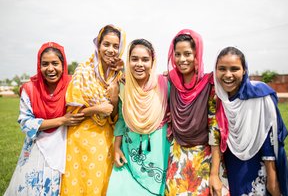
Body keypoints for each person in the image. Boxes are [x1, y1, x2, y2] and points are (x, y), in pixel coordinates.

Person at [4, 42, 84, 195]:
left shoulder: (73, 85)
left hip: (65, 147)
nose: (50, 69)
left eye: (55, 63)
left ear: (63, 64)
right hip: (36, 149)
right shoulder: (30, 89)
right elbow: (26, 123)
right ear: (39, 66)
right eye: (45, 64)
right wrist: (62, 120)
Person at [214, 46, 288, 196]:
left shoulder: (259, 95)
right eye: (222, 69)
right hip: (229, 164)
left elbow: (268, 136)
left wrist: (272, 176)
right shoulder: (217, 98)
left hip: (257, 163)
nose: (228, 75)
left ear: (244, 70)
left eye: (234, 69)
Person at [60, 25, 126, 195]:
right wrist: (97, 108)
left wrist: (113, 98)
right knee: (80, 183)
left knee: (101, 184)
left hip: (106, 140)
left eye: (115, 46)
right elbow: (72, 113)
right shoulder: (84, 71)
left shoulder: (119, 76)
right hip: (80, 138)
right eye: (106, 44)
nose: (110, 50)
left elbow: (117, 115)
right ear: (98, 45)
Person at [165, 29, 228, 196]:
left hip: (203, 157)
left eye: (187, 54)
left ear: (197, 55)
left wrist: (214, 174)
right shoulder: (171, 81)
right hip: (177, 154)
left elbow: (215, 131)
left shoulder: (209, 85)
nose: (182, 59)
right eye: (177, 54)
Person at [107, 39, 170, 195]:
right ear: (128, 61)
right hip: (129, 151)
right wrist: (116, 147)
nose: (139, 64)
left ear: (153, 62)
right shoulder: (124, 86)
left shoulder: (165, 85)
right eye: (134, 59)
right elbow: (122, 119)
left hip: (159, 151)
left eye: (145, 59)